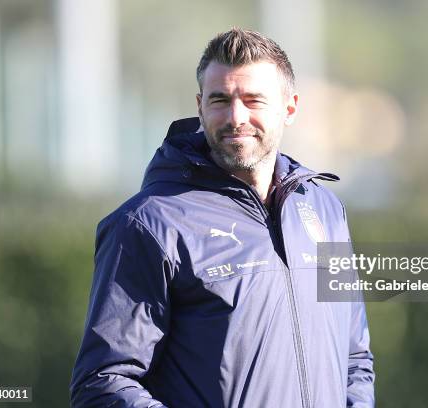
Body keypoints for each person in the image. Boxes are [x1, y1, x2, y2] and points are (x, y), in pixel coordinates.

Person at [70, 28, 375, 408]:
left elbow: (354, 356)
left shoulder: (325, 210)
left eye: (253, 100)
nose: (236, 117)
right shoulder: (148, 225)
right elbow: (103, 383)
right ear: (200, 106)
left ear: (289, 107)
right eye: (220, 99)